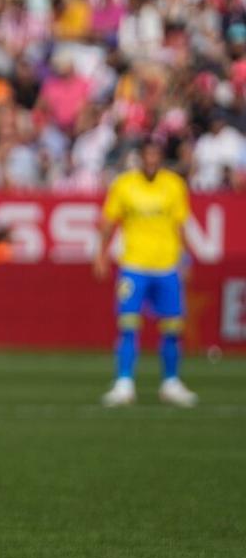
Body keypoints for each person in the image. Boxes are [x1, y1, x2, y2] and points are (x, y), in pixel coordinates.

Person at [94, 140, 198, 407]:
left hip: (166, 266)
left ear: (161, 158)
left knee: (172, 328)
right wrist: (101, 254)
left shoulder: (174, 185)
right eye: (147, 156)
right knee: (128, 325)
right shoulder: (124, 185)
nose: (151, 161)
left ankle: (171, 382)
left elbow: (180, 224)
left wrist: (185, 258)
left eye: (155, 156)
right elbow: (108, 222)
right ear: (139, 159)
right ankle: (124, 383)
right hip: (134, 266)